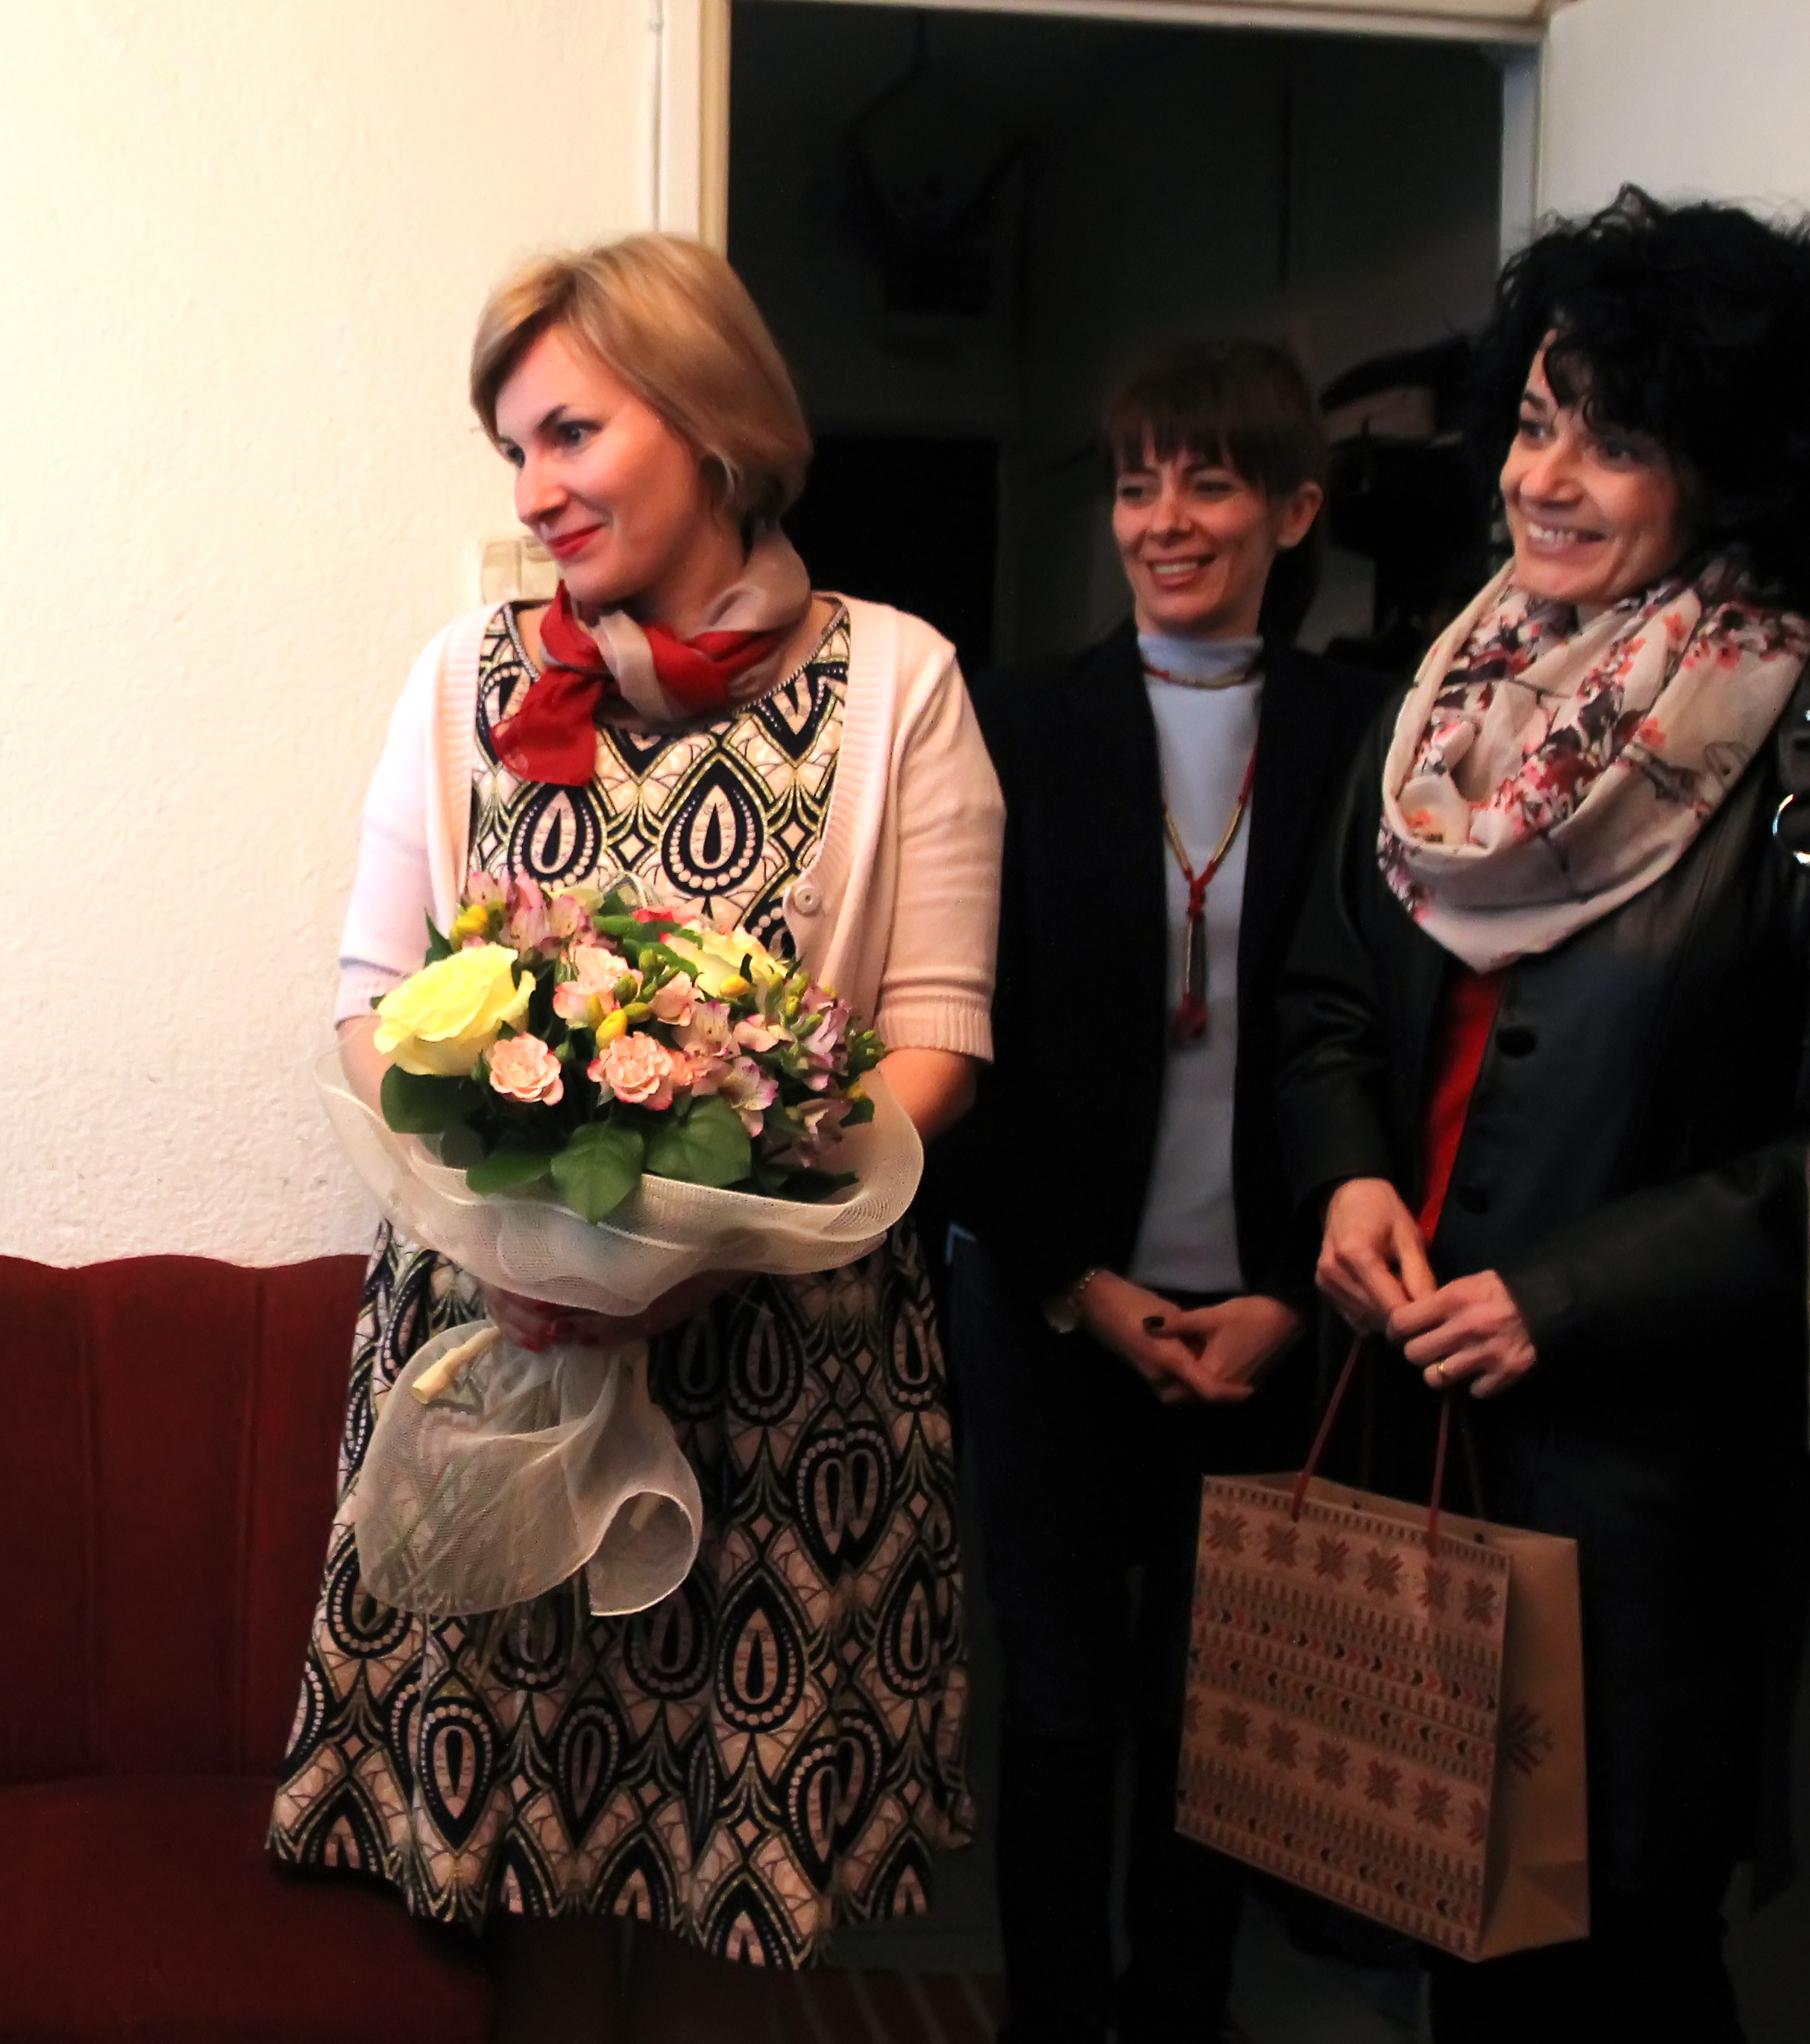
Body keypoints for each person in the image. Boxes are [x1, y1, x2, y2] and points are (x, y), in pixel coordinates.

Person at [268, 234, 1003, 2041]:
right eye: (511, 449)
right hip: (503, 1362)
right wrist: (527, 1236)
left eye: (570, 433)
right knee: (515, 1869)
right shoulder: (465, 678)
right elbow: (372, 1008)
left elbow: (937, 1044)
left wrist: (712, 1230)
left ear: (710, 422)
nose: (534, 490)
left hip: (787, 1378)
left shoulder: (902, 681)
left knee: (730, 1897)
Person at [1280, 187, 1810, 2042]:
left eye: (1621, 435)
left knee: (1617, 1957)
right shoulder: (1440, 702)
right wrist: (1345, 1177)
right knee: (1455, 1925)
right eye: (1534, 416)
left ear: (1726, 469)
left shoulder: (1794, 734)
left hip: (1648, 1475)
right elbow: (1332, 996)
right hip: (1416, 1421)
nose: (1550, 475)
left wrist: (1566, 1294)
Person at [946, 340, 1386, 2044]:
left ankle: (1181, 2016)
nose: (1163, 517)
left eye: (1207, 481)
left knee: (1227, 1719)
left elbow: (1386, 1041)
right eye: (1136, 481)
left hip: (1282, 1320)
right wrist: (1083, 1284)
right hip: (1057, 1313)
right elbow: (954, 1033)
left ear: (1292, 510)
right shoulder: (1012, 721)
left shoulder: (1374, 733)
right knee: (1057, 1705)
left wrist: (1288, 1287)